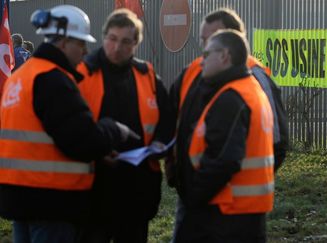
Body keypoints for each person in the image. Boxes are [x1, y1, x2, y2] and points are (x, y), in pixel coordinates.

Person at [0, 5, 138, 243]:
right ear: (63, 42)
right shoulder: (53, 80)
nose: (85, 51)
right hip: (51, 203)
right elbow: (83, 140)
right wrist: (113, 129)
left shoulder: (21, 77)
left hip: (20, 200)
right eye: (81, 43)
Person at [168, 8, 288, 242]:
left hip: (223, 209)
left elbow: (231, 158)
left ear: (227, 50)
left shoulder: (239, 91)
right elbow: (174, 119)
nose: (203, 52)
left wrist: (197, 193)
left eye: (210, 44)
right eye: (203, 41)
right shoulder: (206, 75)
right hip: (216, 204)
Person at [76, 8, 174, 243]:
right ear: (103, 37)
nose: (117, 47)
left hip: (137, 186)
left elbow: (168, 117)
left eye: (126, 42)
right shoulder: (82, 73)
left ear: (136, 44)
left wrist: (161, 141)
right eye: (112, 39)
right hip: (94, 185)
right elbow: (72, 126)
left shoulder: (147, 75)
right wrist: (98, 152)